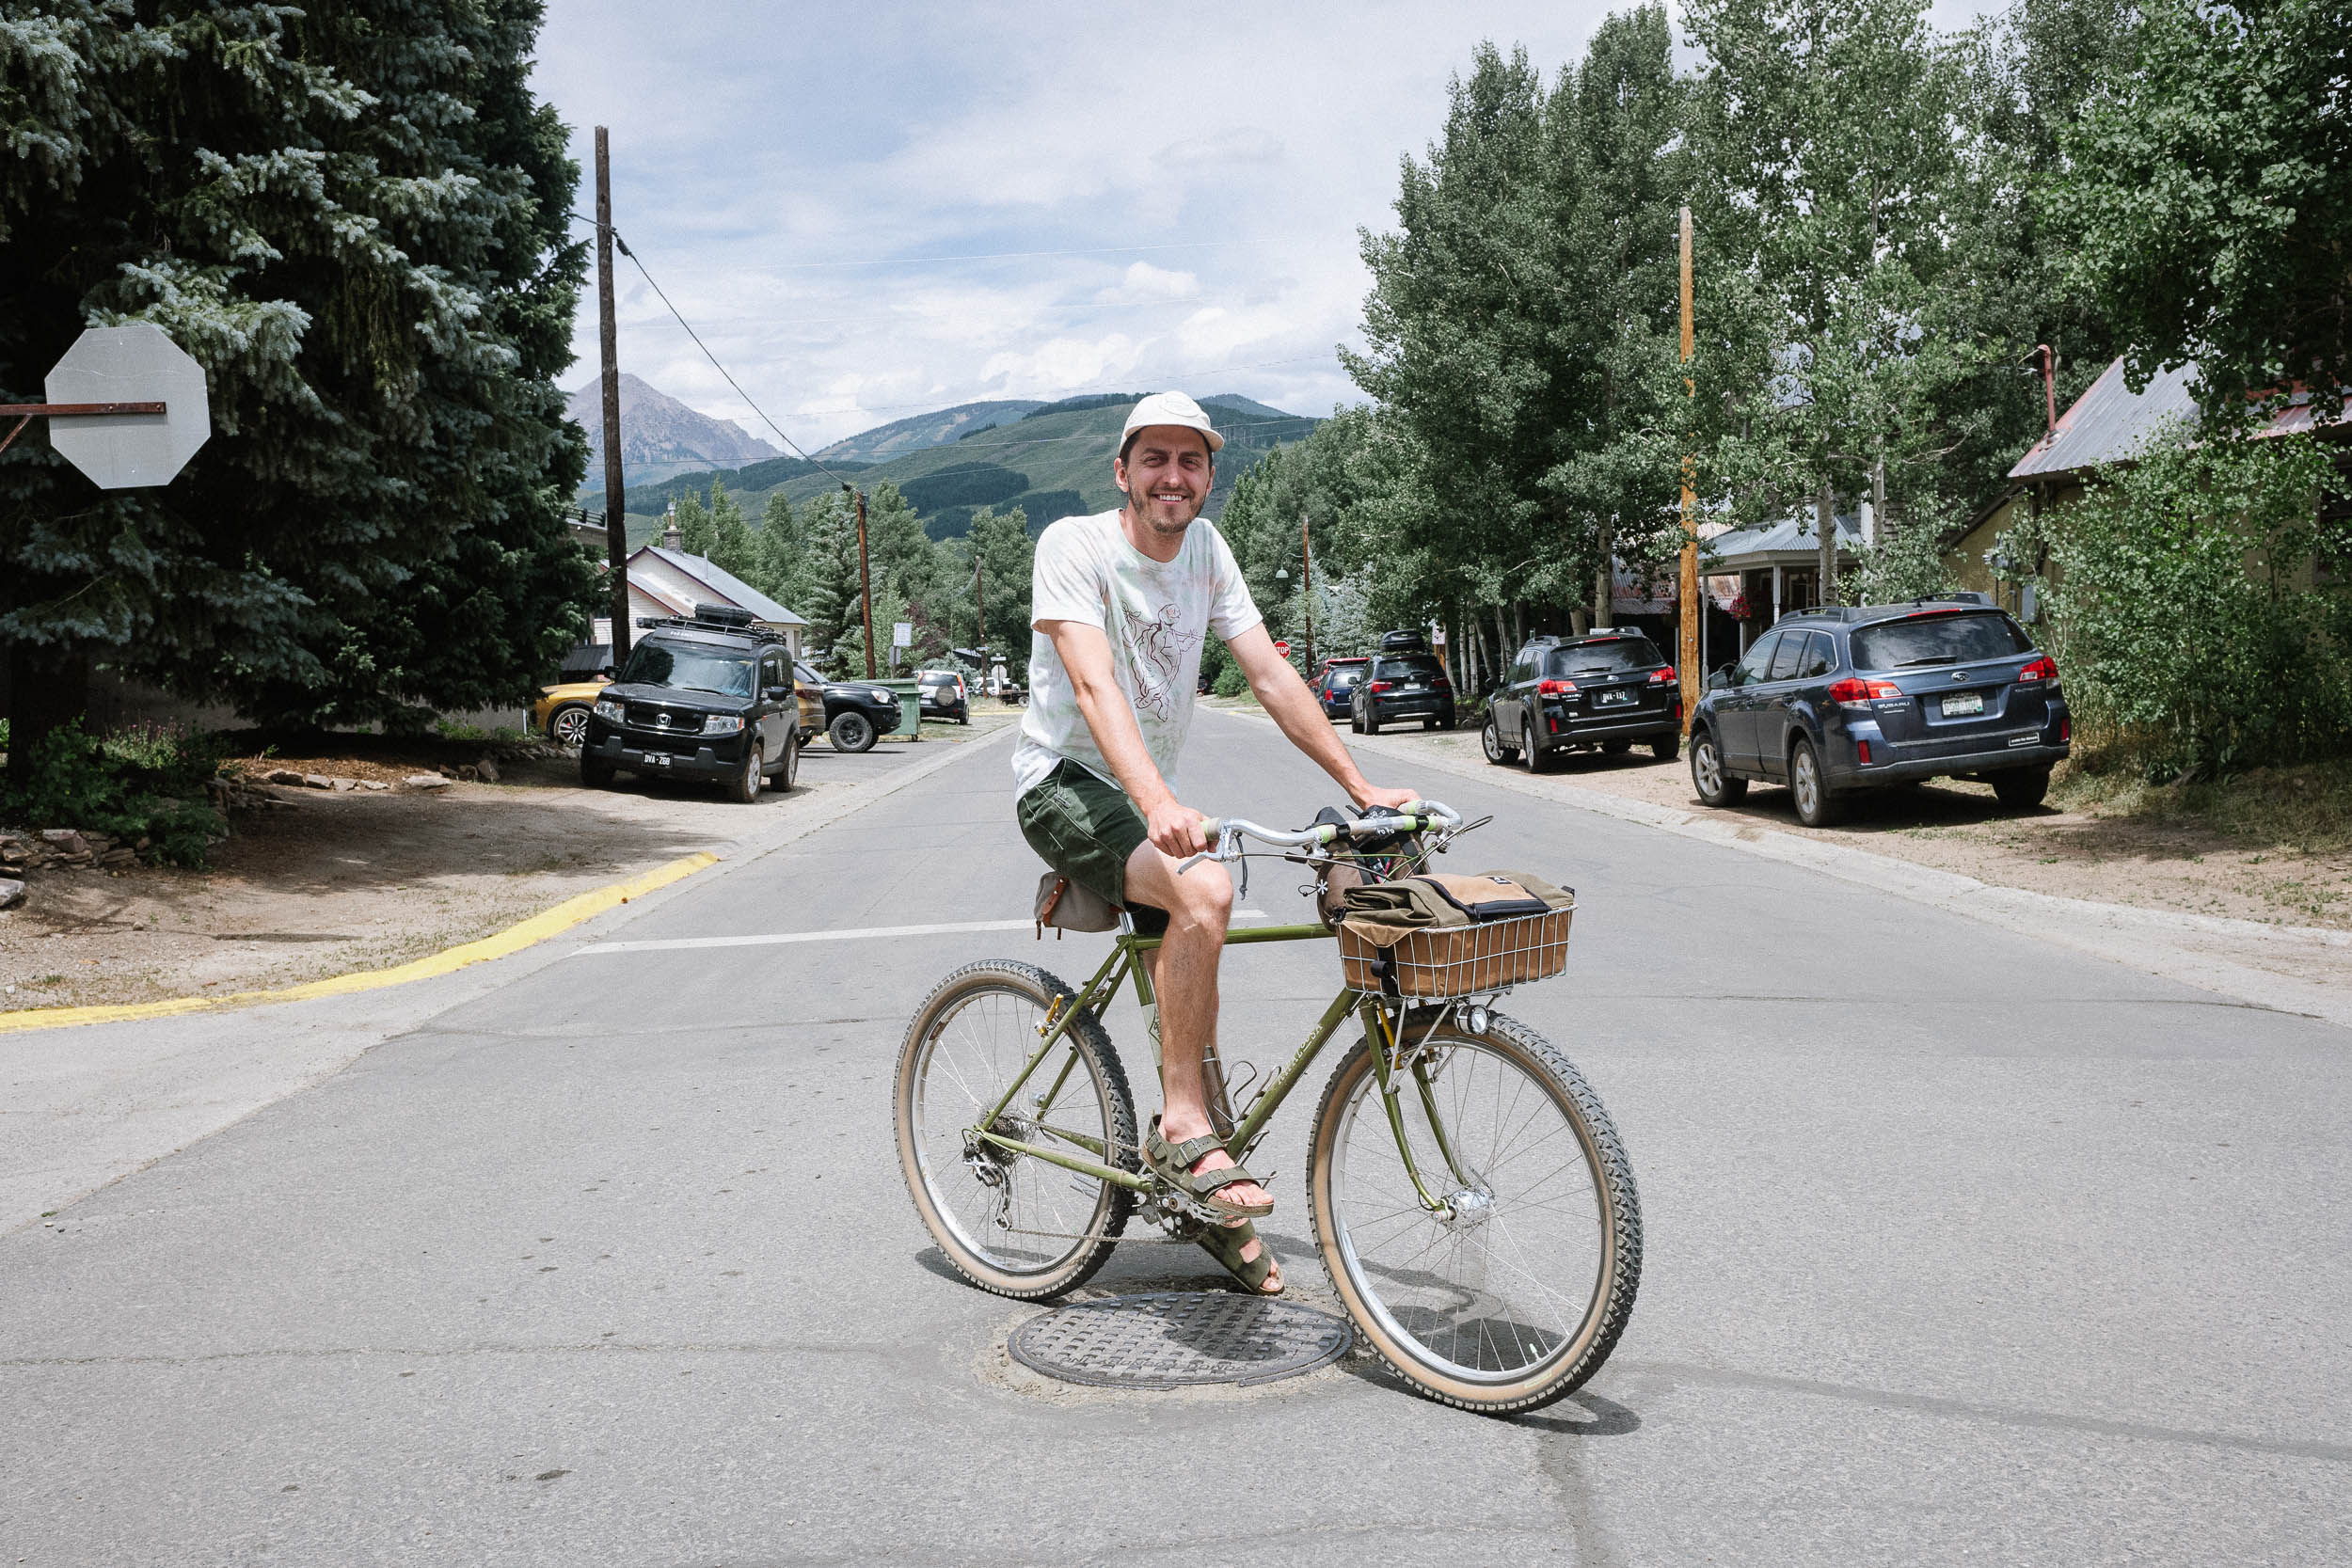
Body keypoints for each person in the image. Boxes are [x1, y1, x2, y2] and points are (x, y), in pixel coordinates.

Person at [1015, 390, 1420, 1295]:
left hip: (1142, 796)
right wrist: (1156, 799)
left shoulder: (1206, 550)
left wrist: (1358, 788)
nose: (1172, 476)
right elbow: (1092, 682)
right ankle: (1183, 1125)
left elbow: (1270, 673)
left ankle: (1206, 1194)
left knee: (1193, 985)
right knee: (1206, 890)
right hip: (1065, 785)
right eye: (1153, 458)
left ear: (1208, 475)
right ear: (1122, 472)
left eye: (1190, 460)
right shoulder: (1073, 547)